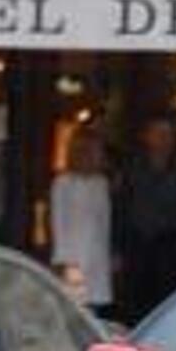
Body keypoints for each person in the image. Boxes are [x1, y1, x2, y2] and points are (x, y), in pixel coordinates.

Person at [116, 117, 176, 322]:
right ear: (147, 138)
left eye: (168, 135)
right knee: (135, 302)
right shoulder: (132, 168)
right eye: (158, 134)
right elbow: (121, 207)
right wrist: (117, 247)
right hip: (136, 243)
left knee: (167, 302)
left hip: (169, 245)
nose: (163, 140)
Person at [49, 127, 115, 317]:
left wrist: (109, 254)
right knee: (75, 308)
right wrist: (62, 260)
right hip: (73, 258)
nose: (100, 157)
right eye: (96, 151)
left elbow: (105, 223)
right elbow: (58, 222)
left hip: (97, 257)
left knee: (95, 307)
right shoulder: (63, 183)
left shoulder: (101, 183)